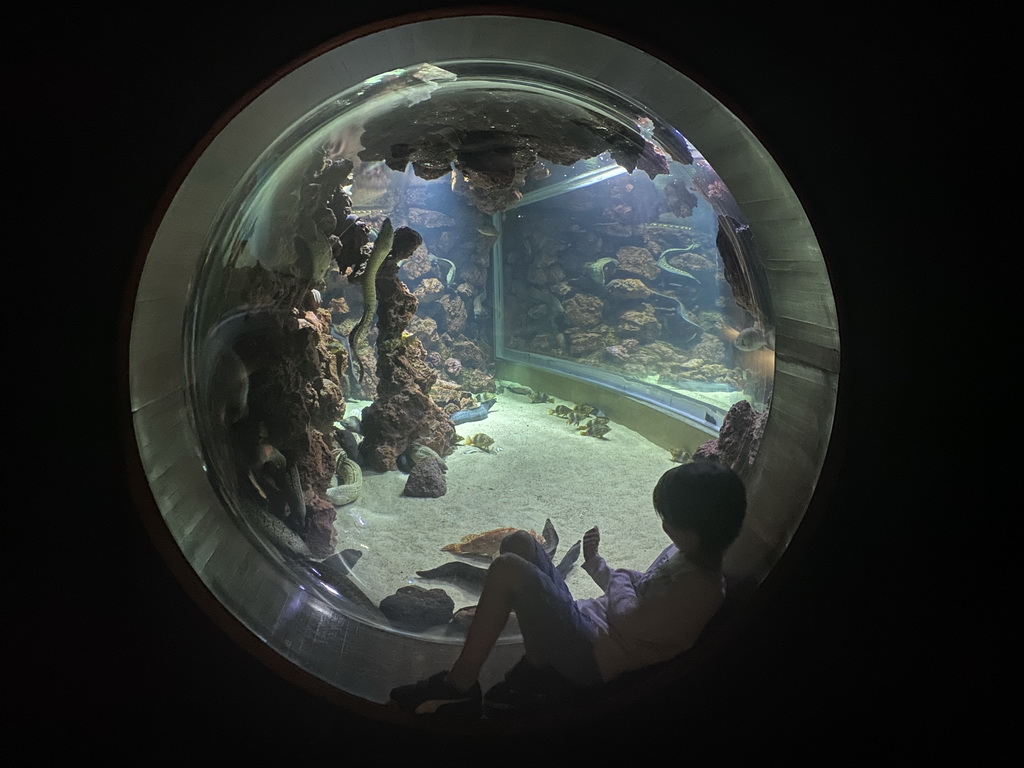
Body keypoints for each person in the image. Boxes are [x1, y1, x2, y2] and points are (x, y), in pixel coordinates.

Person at [388, 461, 747, 717]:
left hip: (592, 655)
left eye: (668, 519)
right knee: (517, 542)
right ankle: (539, 666)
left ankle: (459, 688)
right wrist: (597, 564)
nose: (665, 525)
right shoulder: (684, 553)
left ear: (692, 531)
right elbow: (637, 590)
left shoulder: (700, 590)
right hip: (588, 625)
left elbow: (626, 611)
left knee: (505, 567)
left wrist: (619, 576)